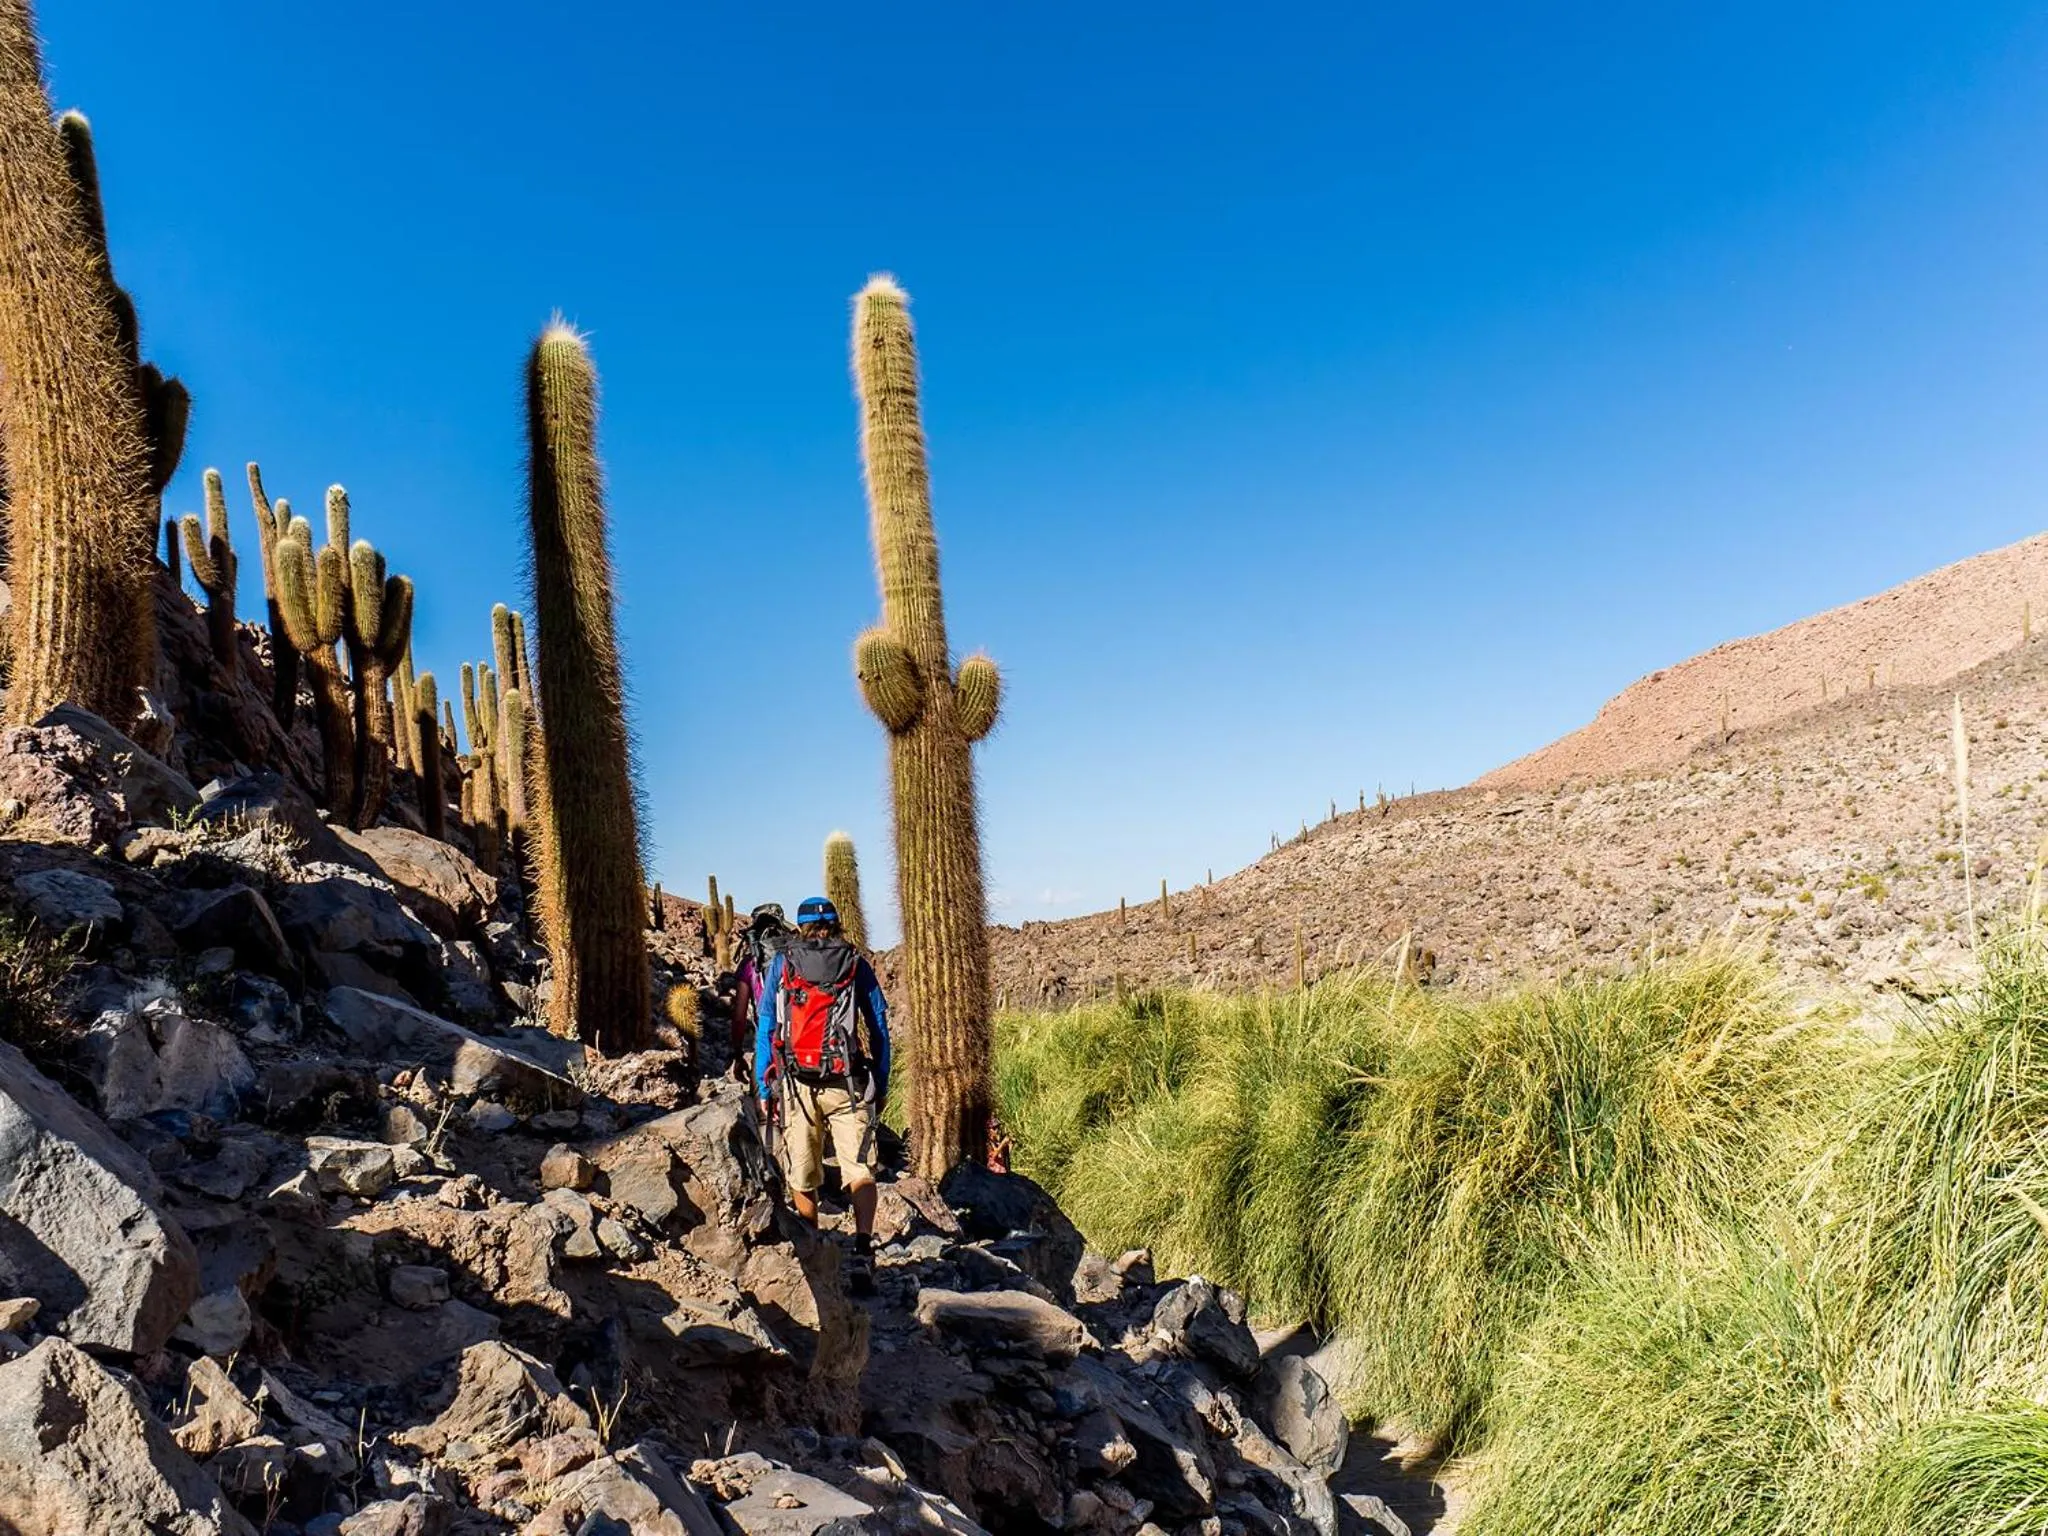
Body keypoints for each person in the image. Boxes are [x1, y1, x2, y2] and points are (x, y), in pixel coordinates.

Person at [755, 896, 890, 1293]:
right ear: (837, 924)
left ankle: (813, 1254)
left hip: (799, 1083)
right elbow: (879, 1022)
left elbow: (767, 1024)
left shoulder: (783, 963)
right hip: (847, 1081)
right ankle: (864, 1250)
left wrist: (766, 1086)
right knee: (859, 1170)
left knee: (803, 1172)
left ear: (800, 927)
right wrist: (879, 1081)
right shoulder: (854, 962)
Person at [732, 902, 795, 1084]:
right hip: (798, 1038)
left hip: (767, 1042)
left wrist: (738, 1055)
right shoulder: (796, 956)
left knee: (764, 1098)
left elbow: (739, 1016)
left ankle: (764, 1106)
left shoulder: (749, 965)